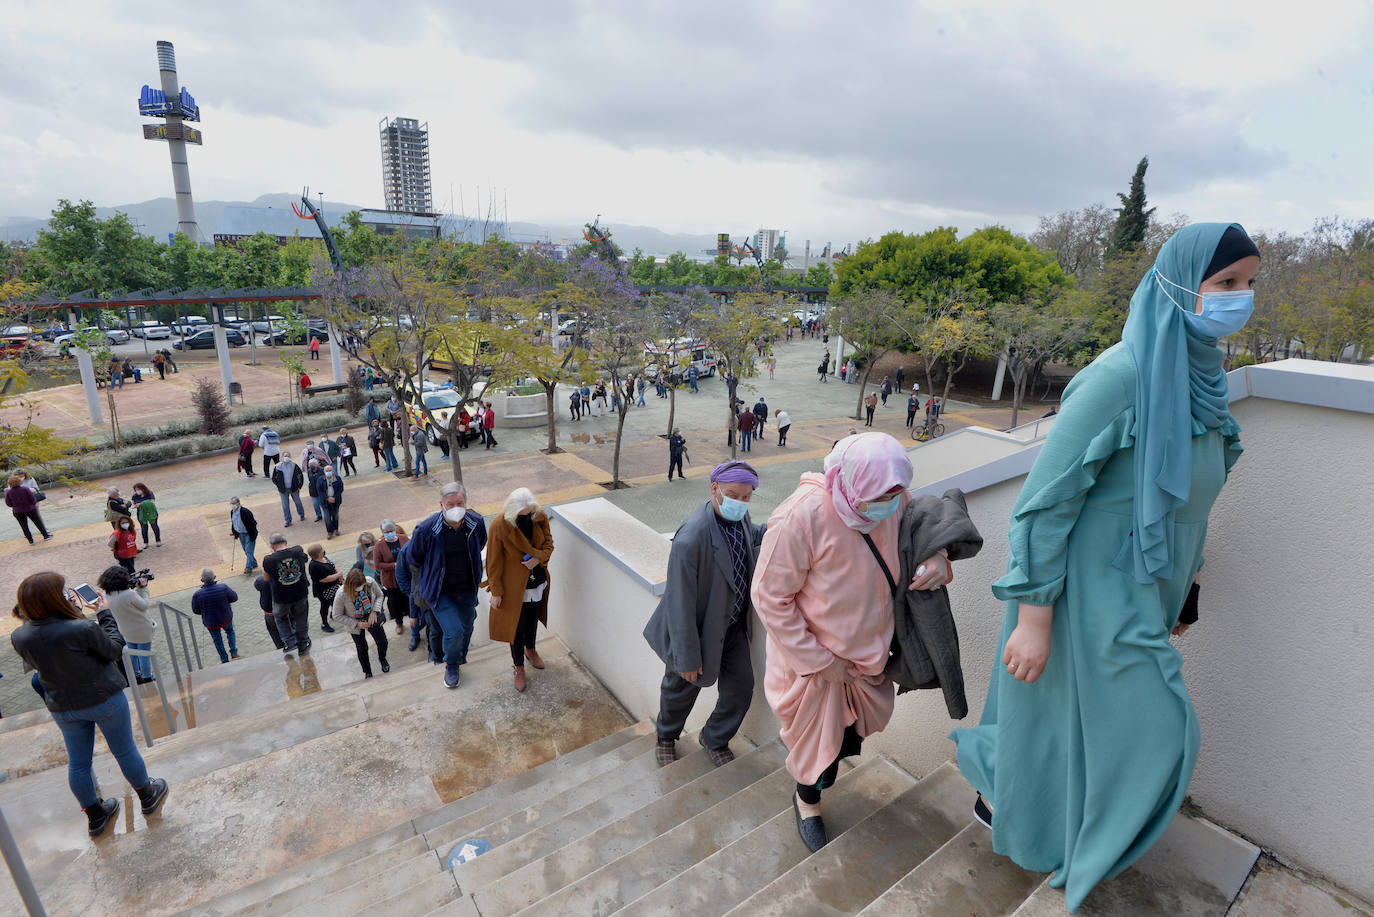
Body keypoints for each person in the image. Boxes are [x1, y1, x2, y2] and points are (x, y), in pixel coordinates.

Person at [950, 222, 1259, 911]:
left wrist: (1190, 586)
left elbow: (1194, 498)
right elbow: (1043, 503)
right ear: (1182, 286)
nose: (1240, 299)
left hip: (1147, 585)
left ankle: (1024, 810)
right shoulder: (1120, 377)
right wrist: (1033, 618)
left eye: (1248, 284)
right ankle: (1060, 828)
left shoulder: (1204, 381)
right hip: (1082, 588)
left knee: (1069, 719)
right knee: (1161, 725)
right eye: (1225, 283)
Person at [751, 432, 948, 851]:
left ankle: (815, 786)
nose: (890, 504)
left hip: (868, 662)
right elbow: (768, 597)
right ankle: (807, 802)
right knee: (818, 751)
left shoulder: (893, 501)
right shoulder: (801, 517)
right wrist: (822, 662)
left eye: (897, 492)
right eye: (881, 496)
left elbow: (922, 527)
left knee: (846, 740)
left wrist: (938, 557)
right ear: (848, 480)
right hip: (818, 670)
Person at [10, 572, 169, 838]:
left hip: (63, 706)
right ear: (53, 598)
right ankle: (147, 794)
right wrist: (104, 614)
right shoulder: (81, 627)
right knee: (124, 750)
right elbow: (113, 649)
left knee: (79, 763)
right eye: (62, 592)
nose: (68, 595)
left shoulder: (20, 636)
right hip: (103, 697)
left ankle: (96, 815)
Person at [644, 461, 766, 768]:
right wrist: (687, 656)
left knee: (740, 688)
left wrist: (777, 528)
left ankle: (714, 738)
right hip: (697, 632)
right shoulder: (691, 539)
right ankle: (666, 736)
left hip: (733, 626)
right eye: (733, 494)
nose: (740, 502)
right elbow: (678, 602)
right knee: (680, 688)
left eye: (746, 497)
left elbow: (748, 537)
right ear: (714, 489)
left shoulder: (738, 517)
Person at [403, 482, 488, 689]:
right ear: (442, 504)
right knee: (454, 631)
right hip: (440, 591)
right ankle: (451, 665)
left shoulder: (476, 523)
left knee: (468, 627)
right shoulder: (426, 529)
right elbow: (413, 557)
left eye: (460, 503)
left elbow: (482, 543)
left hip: (467, 587)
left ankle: (460, 657)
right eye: (451, 504)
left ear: (466, 502)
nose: (456, 508)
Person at [485, 488, 554, 693]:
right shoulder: (500, 525)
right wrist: (496, 591)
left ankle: (530, 650)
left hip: (537, 580)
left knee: (532, 619)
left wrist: (538, 558)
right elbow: (493, 562)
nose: (527, 517)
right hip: (514, 587)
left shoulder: (539, 517)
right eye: (523, 514)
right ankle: (519, 667)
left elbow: (549, 544)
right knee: (515, 628)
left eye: (530, 512)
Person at [100, 565, 156, 683]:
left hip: (125, 629)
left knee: (132, 653)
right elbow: (144, 605)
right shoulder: (129, 594)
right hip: (142, 628)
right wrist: (143, 589)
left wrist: (135, 590)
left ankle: (134, 676)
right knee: (144, 654)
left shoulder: (107, 594)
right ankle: (147, 677)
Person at [331, 568, 390, 678]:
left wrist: (374, 611)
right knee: (362, 648)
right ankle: (367, 671)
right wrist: (357, 624)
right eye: (356, 588)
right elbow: (336, 615)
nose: (359, 589)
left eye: (361, 586)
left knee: (382, 642)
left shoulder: (370, 582)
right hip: (354, 621)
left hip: (372, 617)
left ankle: (382, 659)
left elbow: (380, 595)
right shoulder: (341, 594)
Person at [262, 533, 312, 659]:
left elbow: (266, 578)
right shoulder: (297, 550)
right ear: (286, 541)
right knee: (301, 617)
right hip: (300, 592)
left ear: (271, 546)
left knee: (281, 618)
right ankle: (303, 641)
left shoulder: (268, 559)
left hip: (281, 597)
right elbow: (305, 560)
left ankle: (290, 642)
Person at [190, 568, 240, 664]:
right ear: (215, 577)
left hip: (211, 622)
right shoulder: (223, 587)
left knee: (217, 640)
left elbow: (195, 610)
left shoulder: (197, 594)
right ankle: (234, 653)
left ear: (202, 580)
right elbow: (234, 597)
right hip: (226, 618)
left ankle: (224, 659)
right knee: (230, 632)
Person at [373, 519, 410, 637]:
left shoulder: (404, 538)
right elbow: (377, 565)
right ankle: (399, 623)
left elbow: (412, 553)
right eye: (386, 531)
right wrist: (393, 565)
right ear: (382, 532)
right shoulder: (379, 545)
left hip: (406, 576)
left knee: (409, 599)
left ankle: (414, 619)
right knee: (395, 602)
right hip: (391, 579)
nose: (390, 533)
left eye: (391, 530)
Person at [305, 543, 342, 634]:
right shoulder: (314, 566)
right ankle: (324, 624)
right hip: (324, 590)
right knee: (325, 606)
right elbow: (324, 579)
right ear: (318, 554)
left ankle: (334, 613)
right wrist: (338, 575)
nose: (323, 551)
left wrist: (339, 574)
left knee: (335, 601)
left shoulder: (323, 558)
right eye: (322, 550)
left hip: (334, 586)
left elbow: (332, 565)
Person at [6, 473, 51, 543]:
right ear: (19, 481)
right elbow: (32, 499)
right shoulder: (25, 489)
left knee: (24, 526)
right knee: (38, 522)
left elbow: (8, 503)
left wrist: (14, 506)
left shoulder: (9, 492)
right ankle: (46, 536)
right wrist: (32, 504)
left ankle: (30, 540)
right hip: (30, 509)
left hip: (17, 511)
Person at [271, 452, 307, 527]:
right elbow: (273, 478)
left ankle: (302, 514)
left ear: (290, 457)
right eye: (285, 456)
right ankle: (288, 520)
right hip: (283, 490)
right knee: (285, 506)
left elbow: (300, 475)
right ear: (282, 457)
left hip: (294, 488)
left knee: (298, 502)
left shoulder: (294, 466)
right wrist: (279, 485)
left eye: (288, 456)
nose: (286, 457)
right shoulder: (278, 467)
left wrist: (299, 486)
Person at [313, 464, 344, 539]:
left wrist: (334, 498)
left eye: (330, 470)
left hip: (336, 501)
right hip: (325, 502)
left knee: (335, 515)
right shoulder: (320, 479)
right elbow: (320, 491)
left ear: (333, 471)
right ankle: (329, 531)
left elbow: (340, 489)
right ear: (324, 472)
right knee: (327, 517)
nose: (328, 472)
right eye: (326, 470)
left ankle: (336, 529)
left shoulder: (337, 478)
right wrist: (327, 498)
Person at [229, 496, 258, 574]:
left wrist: (253, 535)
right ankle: (254, 563)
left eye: (233, 503)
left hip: (249, 533)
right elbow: (233, 523)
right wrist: (235, 533)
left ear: (238, 503)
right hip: (241, 534)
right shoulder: (232, 512)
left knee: (248, 551)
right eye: (231, 504)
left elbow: (253, 523)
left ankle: (248, 568)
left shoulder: (245, 512)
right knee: (246, 550)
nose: (232, 505)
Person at [253, 572, 282, 650]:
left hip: (269, 614)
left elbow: (256, 586)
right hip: (282, 610)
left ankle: (280, 648)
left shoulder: (261, 581)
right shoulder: (278, 577)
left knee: (274, 633)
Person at [131, 483, 162, 548]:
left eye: (139, 489)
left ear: (143, 488)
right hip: (141, 513)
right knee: (144, 528)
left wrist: (141, 504)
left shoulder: (149, 493)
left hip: (151, 512)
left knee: (154, 526)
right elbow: (133, 504)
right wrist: (135, 506)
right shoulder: (135, 496)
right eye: (136, 490)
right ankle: (145, 543)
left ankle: (158, 540)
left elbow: (152, 502)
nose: (137, 491)